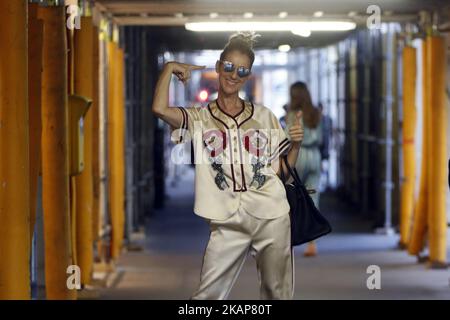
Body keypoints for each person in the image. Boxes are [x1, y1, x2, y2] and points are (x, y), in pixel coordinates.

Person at [151, 32, 304, 300]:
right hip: (226, 220)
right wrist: (169, 68)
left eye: (242, 70)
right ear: (220, 66)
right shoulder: (199, 118)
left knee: (276, 294)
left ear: (248, 75)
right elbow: (160, 109)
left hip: (271, 215)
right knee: (205, 297)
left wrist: (296, 146)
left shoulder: (263, 116)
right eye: (230, 67)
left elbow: (282, 173)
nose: (234, 75)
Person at [285, 81, 322, 257]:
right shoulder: (316, 113)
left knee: (292, 197)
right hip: (314, 156)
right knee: (312, 197)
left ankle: (289, 238)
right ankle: (312, 243)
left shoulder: (292, 114)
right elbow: (322, 137)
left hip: (298, 156)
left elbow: (287, 137)